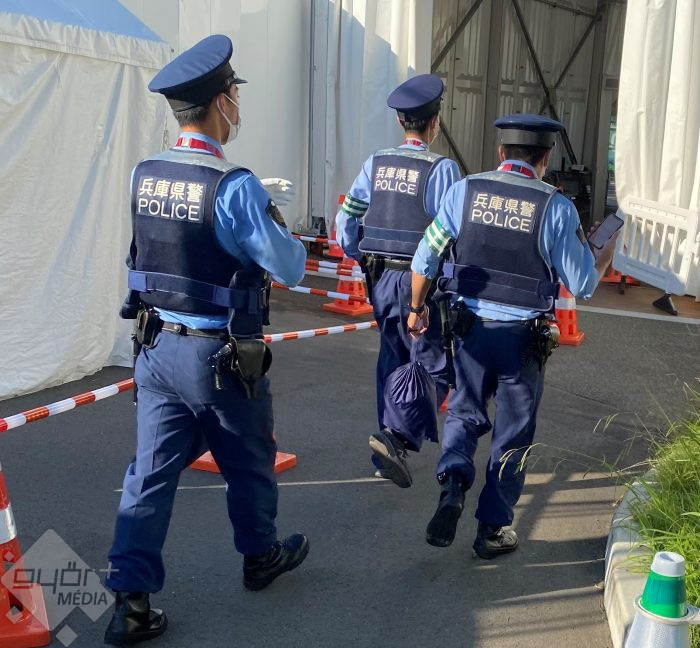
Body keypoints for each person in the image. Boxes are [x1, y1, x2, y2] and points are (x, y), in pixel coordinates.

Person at [104, 35, 309, 646]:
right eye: (235, 95)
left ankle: (130, 602)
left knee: (149, 473)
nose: (238, 106)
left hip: (155, 348)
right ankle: (260, 556)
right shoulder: (235, 186)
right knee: (249, 461)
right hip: (219, 358)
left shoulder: (146, 173)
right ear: (222, 102)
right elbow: (290, 267)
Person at [407, 114, 619, 559]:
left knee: (464, 412)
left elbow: (426, 256)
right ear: (546, 158)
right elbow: (582, 284)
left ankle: (453, 485)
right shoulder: (555, 207)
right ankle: (491, 529)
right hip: (523, 341)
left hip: (469, 331)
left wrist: (416, 308)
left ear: (501, 152)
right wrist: (604, 250)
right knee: (513, 433)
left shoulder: (464, 191)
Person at [336, 74, 460, 488]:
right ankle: (397, 437)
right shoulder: (441, 169)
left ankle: (384, 452)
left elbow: (346, 218)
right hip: (419, 281)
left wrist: (357, 254)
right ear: (434, 123)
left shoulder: (376, 163)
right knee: (432, 364)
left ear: (400, 122)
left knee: (391, 357)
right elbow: (449, 231)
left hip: (380, 278)